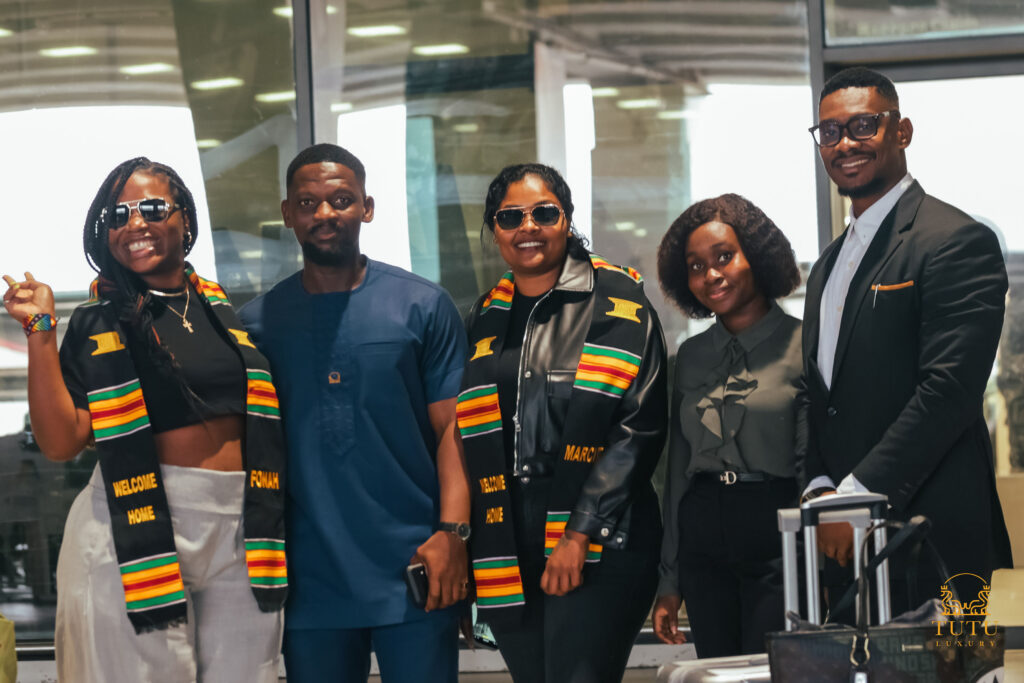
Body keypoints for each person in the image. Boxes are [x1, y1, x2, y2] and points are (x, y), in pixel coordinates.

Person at [2, 157, 288, 682]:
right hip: (131, 524)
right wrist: (41, 330)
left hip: (242, 527)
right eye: (118, 215)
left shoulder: (222, 312)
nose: (134, 224)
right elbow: (63, 442)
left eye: (152, 208)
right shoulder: (98, 319)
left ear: (184, 217)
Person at [238, 143, 470, 683]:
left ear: (366, 207)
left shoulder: (422, 305)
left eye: (341, 200)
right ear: (288, 214)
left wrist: (453, 534)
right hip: (307, 578)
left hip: (417, 564)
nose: (324, 214)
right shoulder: (256, 326)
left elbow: (452, 430)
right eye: (309, 202)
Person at [802, 66, 1012, 617]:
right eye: (830, 132)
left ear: (903, 131)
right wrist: (823, 492)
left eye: (864, 125)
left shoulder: (956, 240)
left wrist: (856, 497)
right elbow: (821, 397)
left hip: (935, 538)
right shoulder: (826, 267)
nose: (845, 143)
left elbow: (948, 392)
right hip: (844, 544)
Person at [458, 163, 667, 682]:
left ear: (567, 220)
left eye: (544, 213)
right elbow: (466, 435)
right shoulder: (487, 313)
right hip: (507, 545)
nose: (527, 226)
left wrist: (580, 533)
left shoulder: (617, 299)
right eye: (510, 217)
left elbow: (637, 430)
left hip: (600, 538)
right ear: (495, 230)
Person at [650, 194, 803, 657]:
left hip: (777, 527)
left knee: (770, 668)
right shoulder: (689, 359)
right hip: (702, 532)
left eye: (724, 257)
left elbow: (814, 461)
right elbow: (677, 471)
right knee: (717, 668)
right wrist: (669, 579)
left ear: (756, 257)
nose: (710, 275)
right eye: (695, 266)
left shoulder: (806, 343)